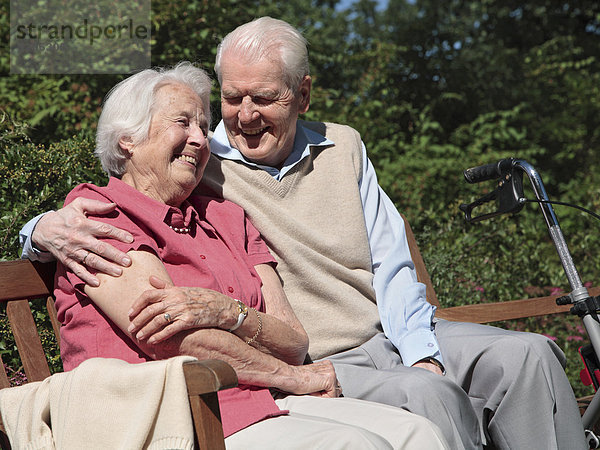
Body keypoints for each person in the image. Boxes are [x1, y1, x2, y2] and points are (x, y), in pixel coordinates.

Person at [20, 18, 587, 450]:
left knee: (531, 356)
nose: (239, 118)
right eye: (231, 99)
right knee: (425, 402)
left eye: (263, 99)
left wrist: (420, 351)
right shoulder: (204, 163)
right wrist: (38, 228)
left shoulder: (339, 150)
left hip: (386, 335)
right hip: (311, 363)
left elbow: (391, 262)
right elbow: (118, 207)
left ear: (302, 95)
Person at [47, 61, 448, 449]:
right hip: (170, 417)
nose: (201, 139)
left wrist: (229, 312)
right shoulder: (98, 214)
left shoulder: (226, 215)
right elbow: (172, 339)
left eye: (204, 127)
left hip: (260, 403)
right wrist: (291, 377)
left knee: (419, 434)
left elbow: (293, 340)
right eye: (183, 123)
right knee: (353, 445)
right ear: (127, 139)